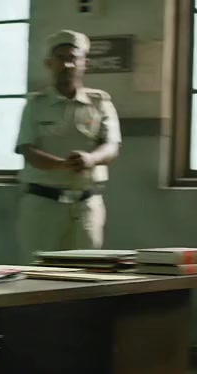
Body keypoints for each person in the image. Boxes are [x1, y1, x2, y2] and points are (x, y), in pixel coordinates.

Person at [13, 30, 121, 258]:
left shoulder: (99, 103)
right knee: (39, 271)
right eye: (61, 58)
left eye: (73, 58)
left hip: (86, 205)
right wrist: (64, 164)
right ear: (49, 63)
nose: (68, 65)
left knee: (86, 270)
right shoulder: (35, 105)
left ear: (84, 63)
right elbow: (28, 150)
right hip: (43, 205)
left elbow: (112, 146)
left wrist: (91, 159)